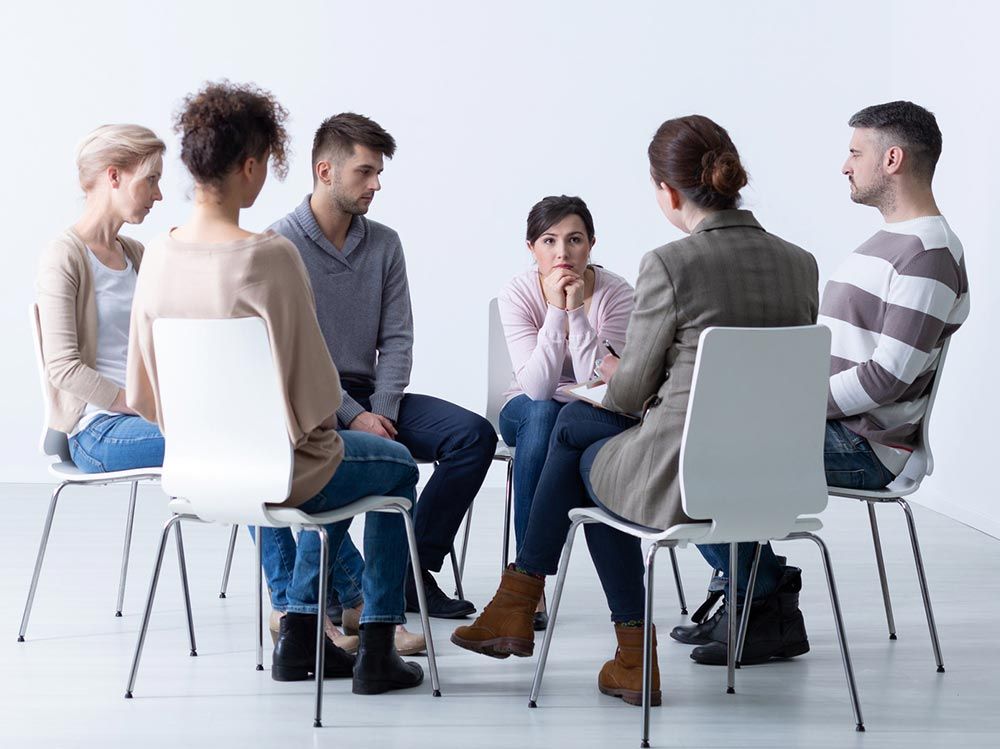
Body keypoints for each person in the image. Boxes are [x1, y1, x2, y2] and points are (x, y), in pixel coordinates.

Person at [451, 115, 819, 707]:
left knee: (578, 447)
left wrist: (631, 376)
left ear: (668, 192)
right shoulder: (801, 262)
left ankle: (558, 618)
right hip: (777, 473)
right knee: (573, 430)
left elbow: (626, 393)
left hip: (682, 469)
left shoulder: (670, 264)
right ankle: (532, 612)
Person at [125, 81, 423, 694]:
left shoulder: (156, 256)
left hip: (195, 469)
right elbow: (315, 399)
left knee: (338, 461)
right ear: (253, 165)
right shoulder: (270, 255)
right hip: (281, 468)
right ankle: (373, 647)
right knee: (392, 468)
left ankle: (300, 637)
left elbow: (142, 393)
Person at [676, 100, 970, 665]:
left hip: (869, 447)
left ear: (892, 159)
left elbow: (887, 378)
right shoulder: (889, 241)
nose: (845, 165)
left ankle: (761, 600)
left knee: (688, 454)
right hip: (833, 427)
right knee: (687, 435)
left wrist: (790, 410)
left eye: (855, 153)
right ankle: (755, 590)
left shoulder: (929, 254)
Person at [267, 113, 498, 620]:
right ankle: (365, 599)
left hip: (377, 398)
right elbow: (293, 355)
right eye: (364, 173)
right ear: (325, 171)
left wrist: (383, 411)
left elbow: (397, 338)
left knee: (473, 437)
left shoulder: (385, 243)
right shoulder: (278, 246)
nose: (375, 185)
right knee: (365, 462)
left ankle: (414, 570)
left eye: (378, 174)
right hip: (313, 403)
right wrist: (354, 417)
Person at [497, 195, 633, 628]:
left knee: (569, 428)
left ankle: (525, 579)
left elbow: (605, 382)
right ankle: (530, 579)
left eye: (574, 240)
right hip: (523, 407)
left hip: (587, 412)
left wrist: (576, 311)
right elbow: (537, 387)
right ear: (531, 247)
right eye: (549, 241)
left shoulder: (616, 294)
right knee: (542, 415)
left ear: (591, 244)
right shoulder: (518, 292)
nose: (562, 253)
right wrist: (556, 310)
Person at [36, 125, 165, 473]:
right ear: (114, 176)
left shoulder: (137, 254)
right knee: (228, 444)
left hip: (146, 418)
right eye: (151, 180)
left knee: (244, 438)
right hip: (97, 430)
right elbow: (62, 367)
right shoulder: (64, 256)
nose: (158, 195)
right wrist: (136, 404)